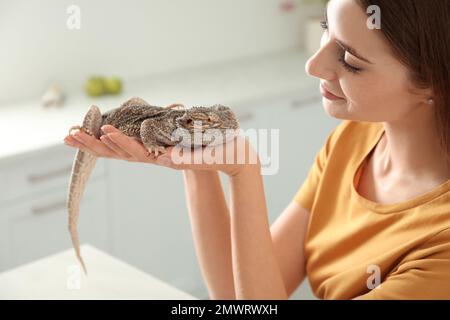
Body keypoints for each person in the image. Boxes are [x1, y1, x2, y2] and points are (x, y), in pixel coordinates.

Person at [64, 0, 450, 300]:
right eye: (325, 29)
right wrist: (194, 161)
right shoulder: (352, 141)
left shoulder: (442, 249)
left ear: (432, 82)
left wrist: (244, 172)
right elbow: (237, 295)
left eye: (349, 60)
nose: (313, 65)